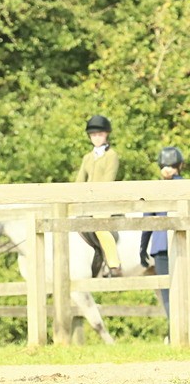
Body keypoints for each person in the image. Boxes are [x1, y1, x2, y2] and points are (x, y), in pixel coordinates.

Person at [140, 146, 183, 325]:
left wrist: (142, 248)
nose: (166, 168)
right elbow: (147, 221)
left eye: (169, 165)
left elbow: (147, 223)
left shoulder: (155, 188)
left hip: (162, 246)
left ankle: (176, 330)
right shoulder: (184, 184)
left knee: (167, 292)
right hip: (178, 246)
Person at [75, 115, 122, 277]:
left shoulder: (112, 155)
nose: (96, 138)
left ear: (106, 134)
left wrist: (93, 196)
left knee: (101, 227)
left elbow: (108, 179)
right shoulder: (87, 158)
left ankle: (114, 264)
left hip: (104, 202)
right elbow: (79, 181)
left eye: (100, 135)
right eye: (94, 135)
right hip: (87, 203)